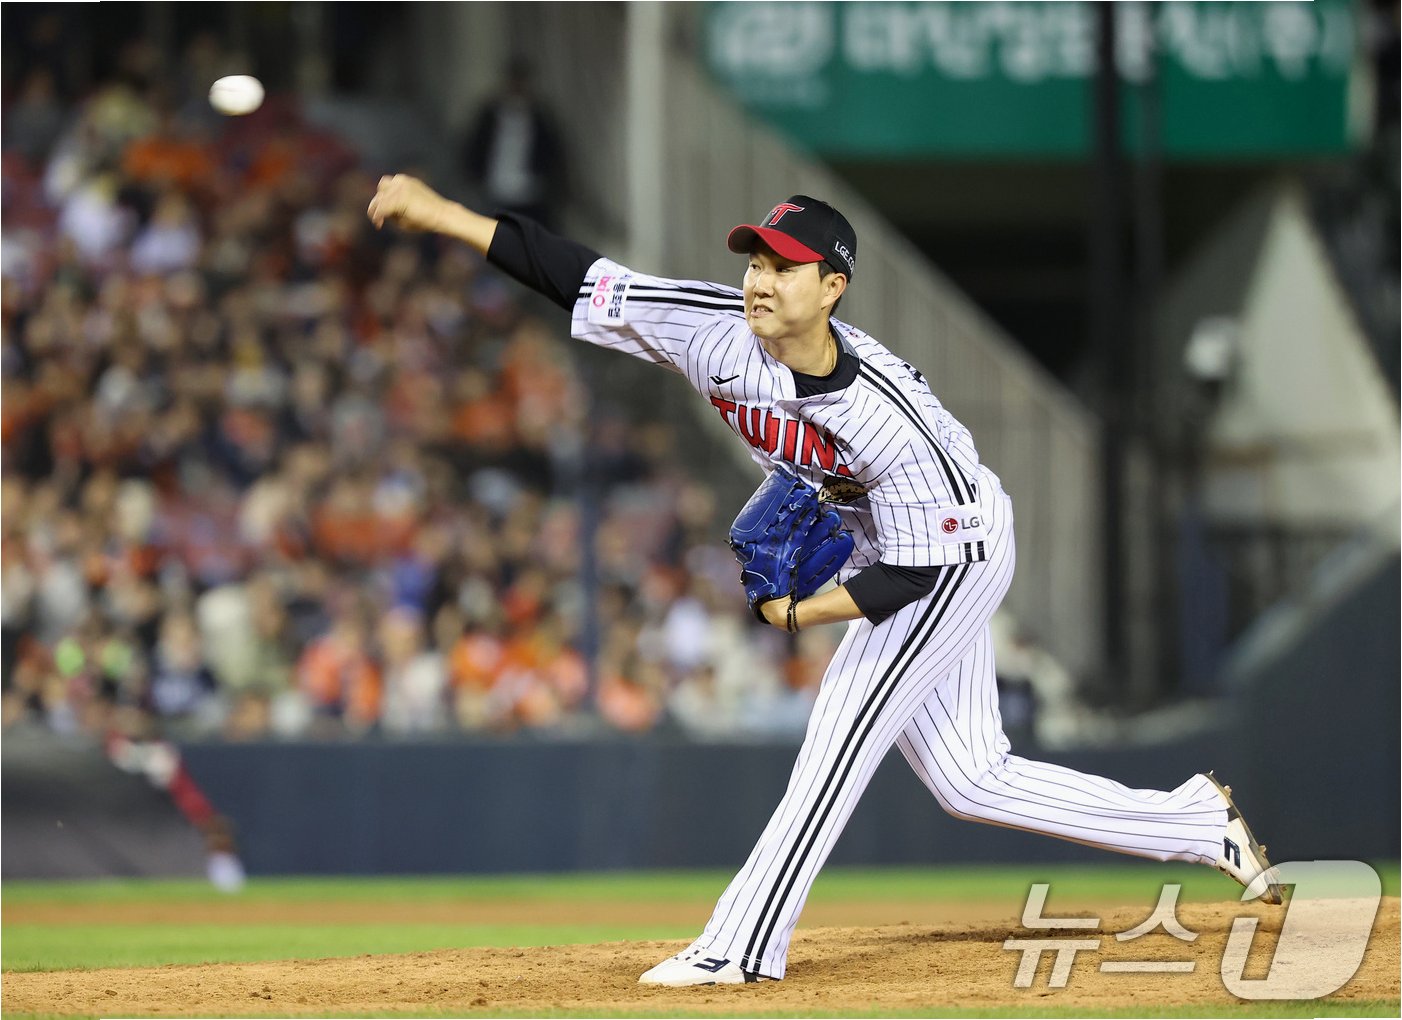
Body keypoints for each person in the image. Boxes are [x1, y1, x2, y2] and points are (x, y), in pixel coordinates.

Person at [366, 174, 1282, 986]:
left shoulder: (885, 420)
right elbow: (573, 274)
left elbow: (915, 574)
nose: (760, 280)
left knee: (841, 731)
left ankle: (741, 944)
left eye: (785, 266)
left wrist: (803, 613)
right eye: (755, 260)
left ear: (832, 287)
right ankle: (1193, 824)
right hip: (881, 542)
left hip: (948, 552)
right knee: (971, 781)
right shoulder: (715, 332)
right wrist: (441, 214)